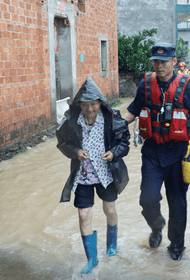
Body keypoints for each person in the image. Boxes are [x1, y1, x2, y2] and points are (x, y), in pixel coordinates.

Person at [123, 42, 190, 261]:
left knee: (177, 203)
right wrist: (114, 127)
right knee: (148, 198)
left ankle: (176, 245)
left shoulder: (187, 87)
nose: (159, 66)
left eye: (164, 62)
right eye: (156, 61)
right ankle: (157, 227)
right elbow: (132, 112)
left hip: (178, 154)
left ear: (174, 62)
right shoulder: (146, 84)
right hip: (152, 152)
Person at [56, 77, 130, 275]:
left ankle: (111, 244)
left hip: (106, 173)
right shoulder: (71, 121)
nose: (90, 109)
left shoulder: (112, 118)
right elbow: (62, 141)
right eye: (86, 105)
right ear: (80, 104)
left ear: (101, 103)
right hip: (83, 175)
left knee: (110, 210)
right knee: (83, 214)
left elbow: (125, 143)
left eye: (94, 104)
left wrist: (114, 152)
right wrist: (75, 151)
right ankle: (92, 258)